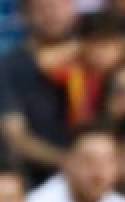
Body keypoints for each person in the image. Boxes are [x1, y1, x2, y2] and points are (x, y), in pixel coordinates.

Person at [0, 0, 77, 186]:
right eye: (43, 8)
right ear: (25, 15)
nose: (53, 14)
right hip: (38, 181)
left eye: (60, 6)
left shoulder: (95, 51)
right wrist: (67, 161)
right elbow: (15, 138)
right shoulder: (10, 66)